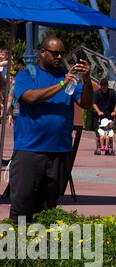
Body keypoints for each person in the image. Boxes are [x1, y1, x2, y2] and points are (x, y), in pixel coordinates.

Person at [7, 35, 93, 220]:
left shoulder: (69, 77)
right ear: (43, 52)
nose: (60, 57)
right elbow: (31, 97)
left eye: (62, 53)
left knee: (48, 209)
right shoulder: (27, 75)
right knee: (22, 205)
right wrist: (62, 84)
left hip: (59, 151)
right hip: (30, 150)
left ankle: (42, 246)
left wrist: (86, 80)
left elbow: (85, 103)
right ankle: (16, 245)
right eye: (55, 53)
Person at [93, 79, 116, 155]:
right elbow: (94, 103)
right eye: (102, 86)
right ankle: (99, 147)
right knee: (99, 133)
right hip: (100, 115)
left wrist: (114, 111)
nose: (104, 88)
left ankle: (108, 147)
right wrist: (98, 111)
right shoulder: (97, 93)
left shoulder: (112, 92)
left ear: (107, 86)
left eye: (105, 86)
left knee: (108, 133)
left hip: (109, 115)